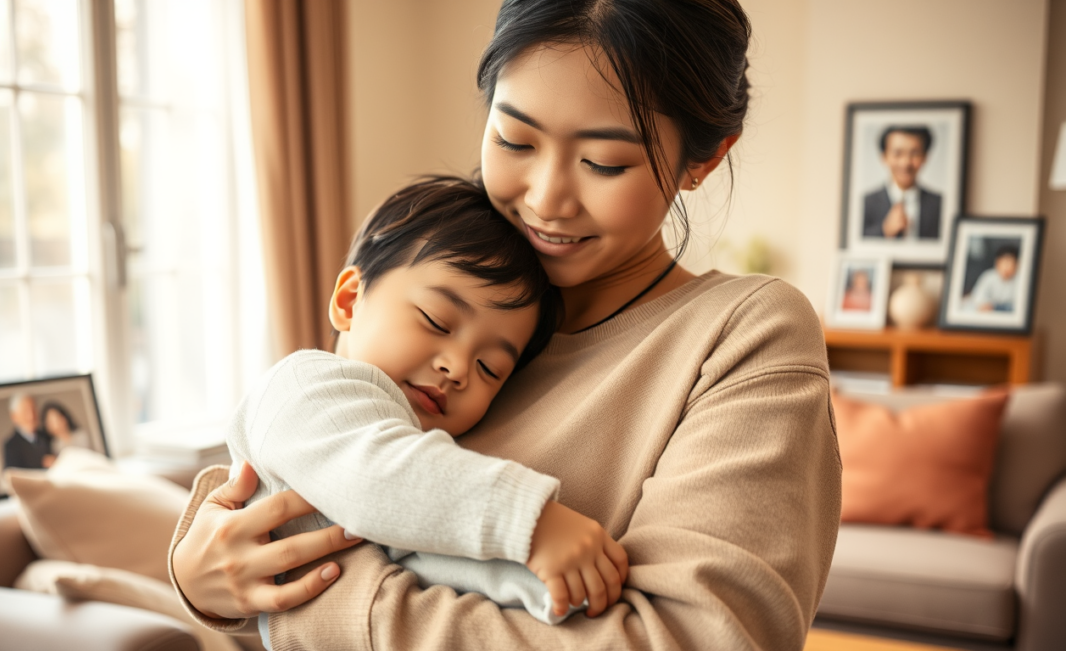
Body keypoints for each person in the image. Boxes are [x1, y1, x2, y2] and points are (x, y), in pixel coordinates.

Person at [170, 1, 842, 648]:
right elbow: (307, 473)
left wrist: (307, 601)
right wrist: (203, 580)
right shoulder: (438, 278)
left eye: (604, 162)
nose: (545, 198)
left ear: (706, 158)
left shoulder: (745, 334)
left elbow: (696, 639)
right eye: (514, 138)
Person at [228, 177, 627, 637]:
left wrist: (559, 589)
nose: (458, 368)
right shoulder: (302, 386)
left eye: (489, 368)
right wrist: (530, 521)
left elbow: (435, 559)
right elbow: (377, 476)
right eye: (437, 321)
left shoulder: (417, 482)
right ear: (349, 300)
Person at [862, 125, 943, 240]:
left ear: (925, 157)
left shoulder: (939, 204)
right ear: (884, 157)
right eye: (897, 153)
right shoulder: (866, 203)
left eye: (914, 153)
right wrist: (884, 231)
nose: (906, 163)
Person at [2, 393, 54, 470]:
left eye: (33, 409)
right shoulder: (11, 446)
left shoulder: (47, 435)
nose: (31, 416)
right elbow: (13, 476)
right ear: (14, 416)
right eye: (26, 411)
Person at [965, 245, 1019, 313]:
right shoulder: (989, 276)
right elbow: (978, 298)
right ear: (997, 263)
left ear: (1017, 264)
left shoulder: (1020, 280)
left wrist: (996, 307)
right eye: (1003, 262)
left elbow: (1018, 305)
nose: (1006, 267)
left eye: (1009, 263)